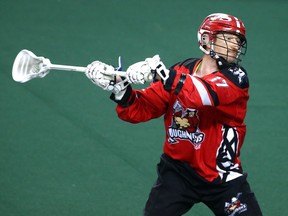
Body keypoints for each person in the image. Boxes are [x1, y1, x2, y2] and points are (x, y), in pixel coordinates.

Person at [85, 13, 263, 216]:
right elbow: (141, 109)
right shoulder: (181, 69)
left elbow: (200, 94)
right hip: (178, 172)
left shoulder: (236, 78)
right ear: (206, 39)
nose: (234, 46)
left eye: (238, 41)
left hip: (221, 176)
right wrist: (120, 86)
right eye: (228, 38)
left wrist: (162, 73)